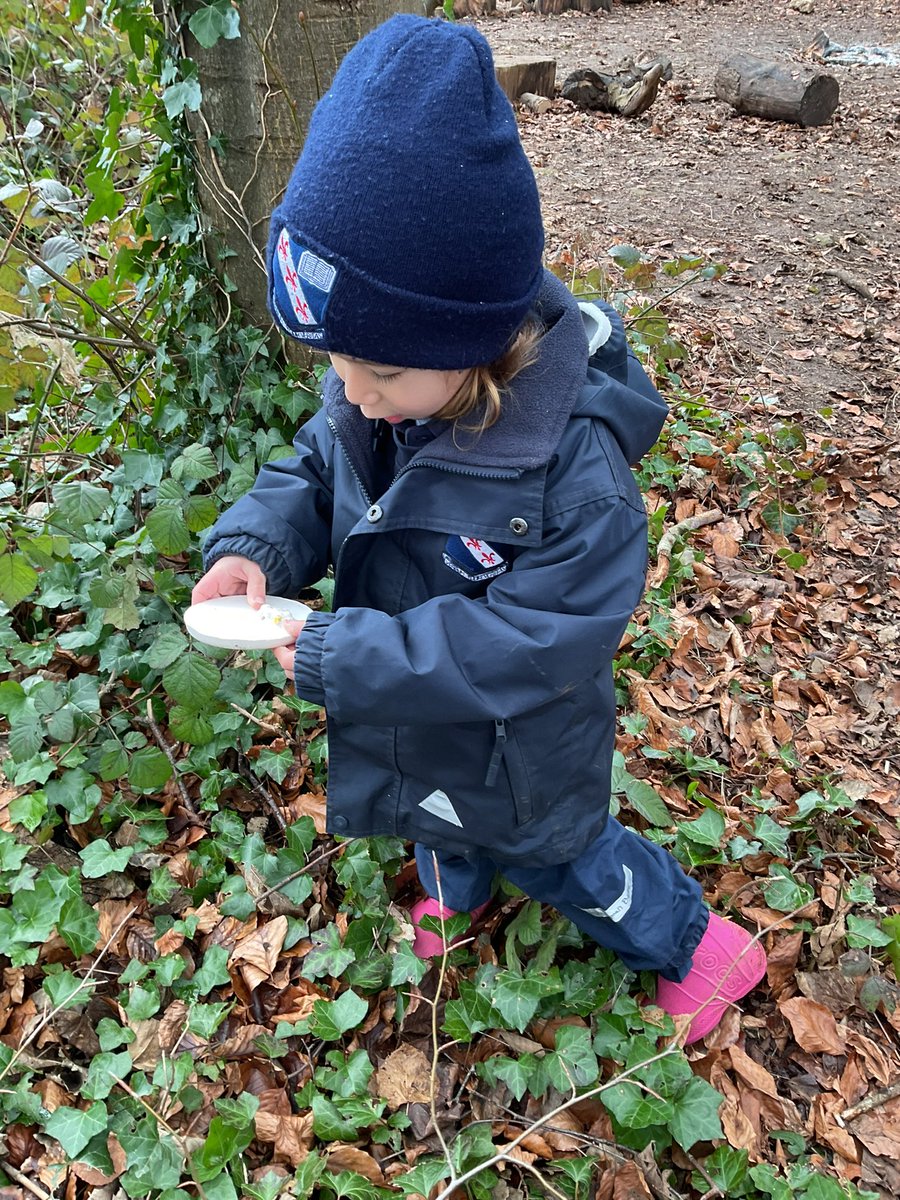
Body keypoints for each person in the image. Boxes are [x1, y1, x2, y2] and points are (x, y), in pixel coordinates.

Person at [192, 14, 766, 1044]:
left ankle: (699, 946)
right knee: (436, 816)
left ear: (474, 340)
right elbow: (319, 467)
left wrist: (343, 654)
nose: (353, 394)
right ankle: (454, 885)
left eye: (380, 371)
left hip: (522, 748)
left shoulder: (577, 482)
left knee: (564, 861)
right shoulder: (384, 394)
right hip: (417, 721)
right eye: (337, 365)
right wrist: (257, 546)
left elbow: (527, 641)